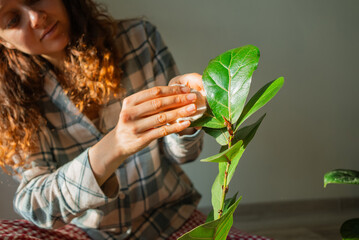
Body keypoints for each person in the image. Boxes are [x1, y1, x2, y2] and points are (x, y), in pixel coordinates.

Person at [0, 0, 205, 239]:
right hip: (88, 233)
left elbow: (186, 155)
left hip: (171, 217)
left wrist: (186, 112)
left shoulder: (139, 38)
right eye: (13, 20)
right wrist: (115, 145)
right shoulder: (14, 102)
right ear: (2, 40)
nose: (36, 18)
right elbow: (36, 206)